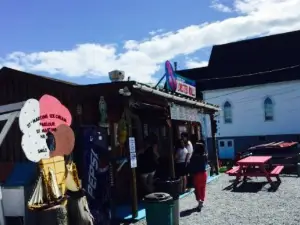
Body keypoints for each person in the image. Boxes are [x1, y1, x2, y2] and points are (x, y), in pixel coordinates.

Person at [188, 141, 208, 210]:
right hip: (204, 174)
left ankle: (199, 201)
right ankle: (201, 201)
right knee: (203, 188)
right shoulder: (204, 156)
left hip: (197, 175)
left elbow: (190, 164)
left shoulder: (194, 156)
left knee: (197, 188)